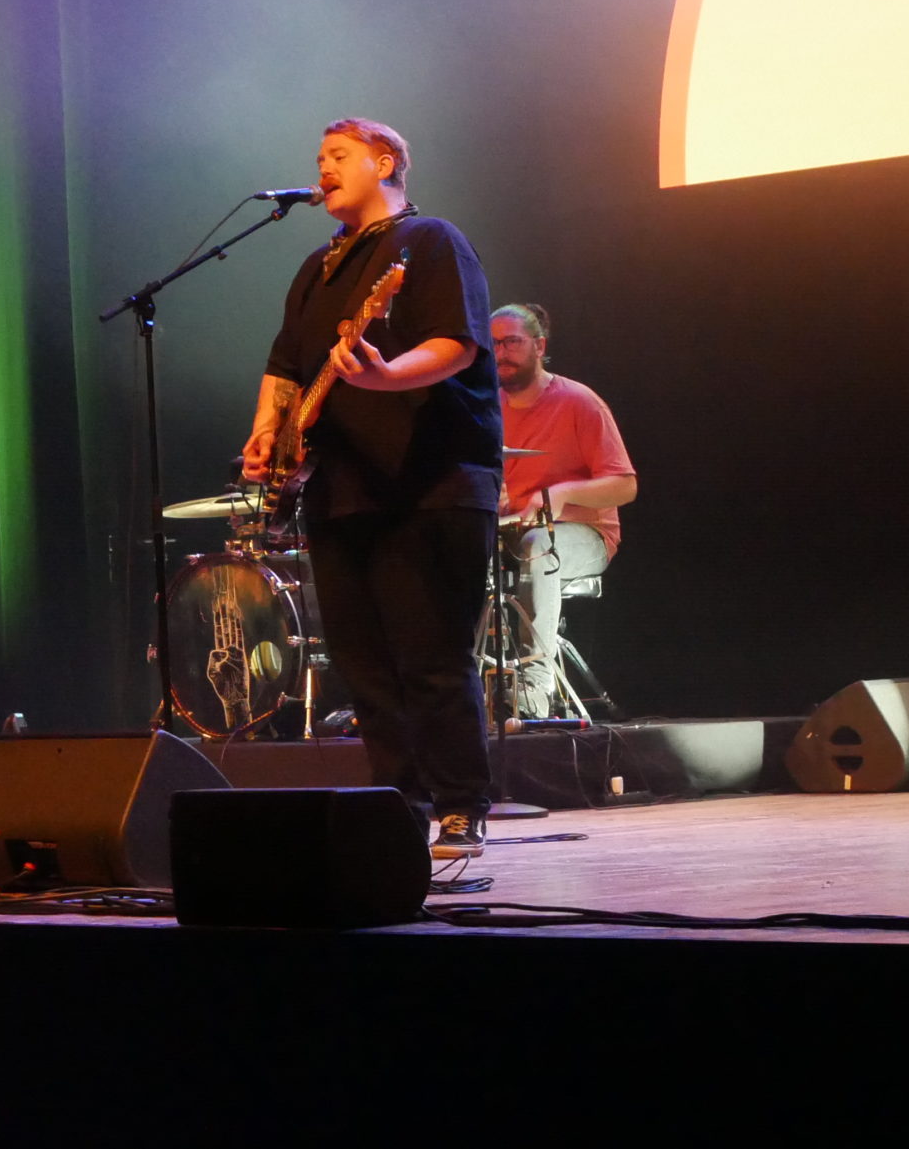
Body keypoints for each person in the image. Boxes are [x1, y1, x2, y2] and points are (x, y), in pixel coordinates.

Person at [240, 119, 503, 859]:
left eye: (339, 155)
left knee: (431, 654)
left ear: (384, 163)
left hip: (430, 482)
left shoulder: (431, 241)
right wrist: (267, 434)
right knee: (364, 668)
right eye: (319, 157)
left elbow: (458, 342)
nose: (322, 168)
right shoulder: (316, 267)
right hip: (340, 486)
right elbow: (285, 367)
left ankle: (459, 806)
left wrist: (387, 376)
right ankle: (399, 806)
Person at [492, 303, 636, 685]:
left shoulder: (579, 402)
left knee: (539, 543)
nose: (501, 353)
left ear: (539, 346)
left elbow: (626, 486)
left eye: (512, 342)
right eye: (494, 344)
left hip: (584, 536)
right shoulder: (488, 408)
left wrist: (562, 492)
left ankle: (535, 683)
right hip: (512, 530)